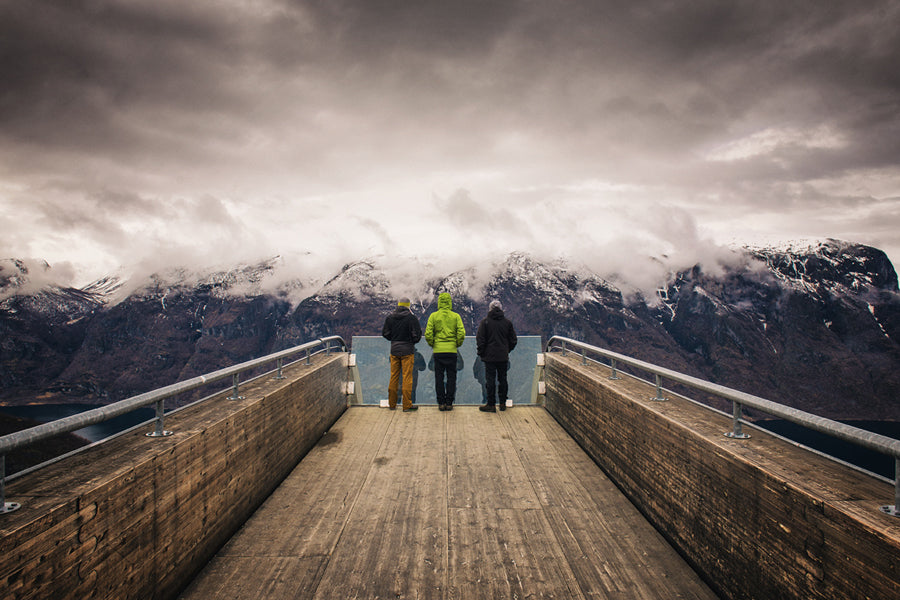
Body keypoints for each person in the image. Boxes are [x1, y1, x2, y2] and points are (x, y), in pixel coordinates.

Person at [425, 292, 466, 411]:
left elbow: (428, 334)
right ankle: (449, 402)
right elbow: (461, 333)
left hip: (438, 352)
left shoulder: (433, 316)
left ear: (439, 302)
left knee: (439, 377)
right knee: (451, 377)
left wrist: (433, 344)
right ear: (450, 302)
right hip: (452, 351)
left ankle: (441, 402)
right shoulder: (456, 316)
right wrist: (456, 344)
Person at [476, 300, 517, 412]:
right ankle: (503, 402)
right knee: (502, 379)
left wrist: (482, 353)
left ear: (490, 309)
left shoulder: (485, 323)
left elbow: (480, 340)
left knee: (490, 380)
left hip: (489, 357)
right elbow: (513, 340)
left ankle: (491, 404)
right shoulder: (507, 323)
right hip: (503, 356)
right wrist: (507, 350)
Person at [382, 297, 422, 412]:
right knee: (407, 377)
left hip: (394, 350)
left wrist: (394, 339)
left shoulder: (390, 318)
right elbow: (417, 335)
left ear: (398, 305)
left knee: (394, 376)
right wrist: (411, 341)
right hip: (408, 351)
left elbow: (385, 333)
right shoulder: (412, 318)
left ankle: (392, 403)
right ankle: (407, 404)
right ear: (408, 306)